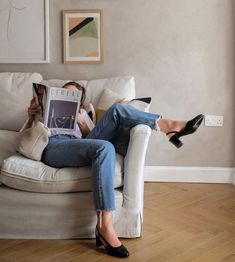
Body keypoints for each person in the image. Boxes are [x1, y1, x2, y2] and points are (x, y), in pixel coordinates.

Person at [26, 81, 204, 258]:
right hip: (55, 147)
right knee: (105, 145)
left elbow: (91, 140)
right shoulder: (41, 111)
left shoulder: (83, 114)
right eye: (63, 92)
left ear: (79, 102)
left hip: (80, 144)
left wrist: (81, 123)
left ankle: (104, 225)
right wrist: (30, 116)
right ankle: (171, 128)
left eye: (73, 96)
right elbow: (25, 138)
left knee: (112, 125)